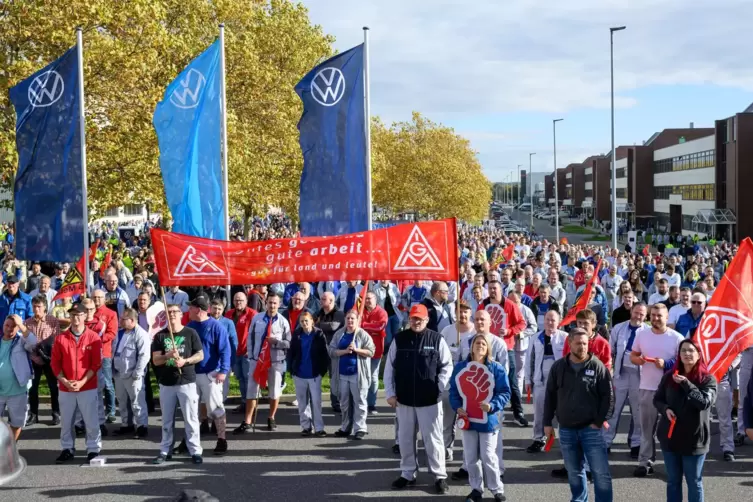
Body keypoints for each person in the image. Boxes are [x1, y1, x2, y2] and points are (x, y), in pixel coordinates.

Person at [384, 304, 453, 494]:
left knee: (433, 440)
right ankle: (407, 473)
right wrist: (389, 393)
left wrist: (438, 387)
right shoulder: (400, 339)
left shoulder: (437, 339)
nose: (416, 322)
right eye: (413, 318)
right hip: (404, 399)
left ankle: (439, 476)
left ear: (426, 319)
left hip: (429, 399)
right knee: (405, 439)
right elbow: (389, 368)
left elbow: (447, 366)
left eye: (419, 318)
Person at [543, 328, 614, 502]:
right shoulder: (558, 367)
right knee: (574, 473)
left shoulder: (597, 366)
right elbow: (550, 396)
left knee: (601, 473)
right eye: (578, 343)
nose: (582, 347)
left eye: (585, 343)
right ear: (569, 343)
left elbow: (609, 397)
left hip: (591, 429)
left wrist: (599, 421)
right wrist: (547, 423)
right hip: (567, 430)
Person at [449, 333, 511, 502]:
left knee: (489, 456)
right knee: (470, 457)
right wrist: (458, 407)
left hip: (489, 420)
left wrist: (492, 405)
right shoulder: (461, 367)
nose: (480, 346)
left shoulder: (496, 368)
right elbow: (453, 390)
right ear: (471, 346)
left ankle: (496, 489)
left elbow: (505, 392)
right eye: (477, 343)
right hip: (468, 418)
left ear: (488, 347)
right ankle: (476, 489)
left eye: (483, 344)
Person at [653, 339, 717, 502]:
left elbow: (704, 402)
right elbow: (657, 399)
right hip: (670, 438)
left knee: (694, 482)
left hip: (694, 440)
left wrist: (687, 384)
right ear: (678, 355)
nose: (687, 354)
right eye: (683, 351)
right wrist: (665, 409)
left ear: (699, 355)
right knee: (673, 481)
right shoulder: (669, 376)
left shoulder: (708, 379)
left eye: (691, 350)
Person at [629, 303, 684, 477]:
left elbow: (685, 363)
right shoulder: (642, 334)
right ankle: (645, 462)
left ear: (667, 317)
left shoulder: (677, 338)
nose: (655, 318)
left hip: (672, 391)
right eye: (653, 315)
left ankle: (675, 463)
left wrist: (666, 364)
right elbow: (633, 355)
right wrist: (639, 361)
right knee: (647, 429)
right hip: (647, 388)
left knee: (673, 430)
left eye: (659, 316)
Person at [151, 304, 204, 465]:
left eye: (175, 312)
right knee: (167, 420)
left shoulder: (190, 333)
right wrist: (167, 356)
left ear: (181, 314)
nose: (172, 314)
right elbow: (155, 360)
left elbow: (200, 354)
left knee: (191, 418)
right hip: (167, 383)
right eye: (169, 312)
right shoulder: (160, 336)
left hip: (186, 381)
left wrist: (185, 361)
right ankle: (165, 450)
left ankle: (195, 450)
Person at [51, 302, 103, 464]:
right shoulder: (60, 338)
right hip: (66, 388)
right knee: (66, 421)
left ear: (84, 316)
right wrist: (65, 381)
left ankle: (93, 449)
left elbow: (96, 364)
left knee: (91, 420)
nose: (75, 317)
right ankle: (67, 448)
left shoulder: (93, 337)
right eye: (72, 314)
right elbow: (55, 364)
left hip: (87, 386)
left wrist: (81, 382)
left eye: (78, 314)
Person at [234, 291, 291, 433]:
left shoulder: (283, 322)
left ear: (278, 305)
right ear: (266, 303)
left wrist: (276, 342)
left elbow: (289, 343)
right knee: (252, 390)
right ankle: (247, 420)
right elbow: (250, 338)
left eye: (275, 303)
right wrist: (252, 357)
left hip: (275, 361)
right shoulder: (257, 319)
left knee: (274, 391)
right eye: (270, 302)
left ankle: (271, 418)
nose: (272, 305)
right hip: (257, 361)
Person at [186, 296, 231, 456]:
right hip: (192, 374)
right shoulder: (190, 326)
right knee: (191, 409)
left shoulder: (216, 327)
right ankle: (190, 441)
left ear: (198, 310)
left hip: (211, 373)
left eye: (190, 308)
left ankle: (221, 439)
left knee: (216, 408)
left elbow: (225, 350)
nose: (188, 310)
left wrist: (223, 371)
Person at [479, 280, 527, 427]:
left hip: (507, 347)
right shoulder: (484, 305)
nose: (493, 291)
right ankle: (483, 410)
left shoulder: (509, 305)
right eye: (491, 288)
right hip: (486, 346)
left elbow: (522, 323)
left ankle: (518, 412)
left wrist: (509, 331)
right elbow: (477, 319)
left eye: (495, 288)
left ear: (501, 290)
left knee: (511, 380)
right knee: (484, 379)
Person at [605, 302, 648, 457]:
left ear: (645, 315)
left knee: (637, 412)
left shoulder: (648, 331)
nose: (638, 316)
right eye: (636, 312)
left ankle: (636, 444)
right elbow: (611, 351)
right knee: (614, 409)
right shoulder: (619, 328)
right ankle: (606, 441)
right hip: (621, 373)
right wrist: (610, 371)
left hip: (639, 375)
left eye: (642, 314)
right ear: (631, 311)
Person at [524, 309, 567, 453]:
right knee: (539, 412)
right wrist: (527, 380)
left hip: (560, 382)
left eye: (553, 320)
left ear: (559, 322)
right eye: (547, 319)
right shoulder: (536, 338)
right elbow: (529, 359)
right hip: (540, 381)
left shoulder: (565, 337)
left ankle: (564, 441)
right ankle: (538, 439)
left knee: (562, 412)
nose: (550, 322)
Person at [328, 309, 375, 439]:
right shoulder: (339, 334)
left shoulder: (362, 335)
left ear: (357, 320)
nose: (350, 321)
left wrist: (356, 350)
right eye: (348, 318)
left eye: (352, 319)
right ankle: (345, 427)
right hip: (342, 374)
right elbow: (331, 351)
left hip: (357, 375)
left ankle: (360, 428)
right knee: (344, 403)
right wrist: (344, 351)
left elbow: (371, 351)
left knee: (359, 401)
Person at [287, 311, 329, 436]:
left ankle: (319, 428)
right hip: (299, 374)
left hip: (314, 374)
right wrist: (292, 370)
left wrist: (322, 371)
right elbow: (291, 353)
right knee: (302, 402)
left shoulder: (319, 334)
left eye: (306, 320)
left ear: (312, 321)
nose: (304, 323)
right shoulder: (297, 334)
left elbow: (324, 354)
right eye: (302, 321)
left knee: (316, 402)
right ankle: (306, 426)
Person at [112, 308, 150, 438]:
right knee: (122, 401)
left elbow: (144, 356)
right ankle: (126, 424)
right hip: (119, 373)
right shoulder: (120, 333)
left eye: (124, 319)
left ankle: (141, 426)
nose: (121, 321)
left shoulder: (141, 334)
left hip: (133, 374)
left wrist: (137, 373)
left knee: (137, 402)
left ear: (132, 320)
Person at [24, 295, 61, 426]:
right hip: (34, 359)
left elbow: (57, 340)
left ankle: (56, 413)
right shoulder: (27, 322)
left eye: (39, 306)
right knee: (33, 388)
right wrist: (34, 352)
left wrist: (49, 355)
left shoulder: (53, 321)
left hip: (50, 359)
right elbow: (25, 341)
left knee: (53, 387)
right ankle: (33, 415)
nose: (36, 309)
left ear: (45, 307)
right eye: (34, 306)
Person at [0, 315, 37, 441]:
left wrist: (21, 325)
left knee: (16, 424)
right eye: (7, 325)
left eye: (13, 326)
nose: (9, 329)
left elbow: (34, 343)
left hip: (18, 390)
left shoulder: (21, 341)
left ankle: (10, 450)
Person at [225, 292, 257, 413]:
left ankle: (250, 404)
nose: (238, 302)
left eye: (241, 300)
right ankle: (244, 402)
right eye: (236, 300)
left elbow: (257, 333)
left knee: (248, 379)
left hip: (247, 352)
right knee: (240, 378)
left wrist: (252, 349)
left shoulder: (253, 314)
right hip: (233, 352)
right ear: (233, 302)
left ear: (246, 301)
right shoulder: (228, 314)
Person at [315, 291, 345, 412]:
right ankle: (315, 401)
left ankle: (336, 403)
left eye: (323, 299)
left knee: (334, 378)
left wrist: (316, 325)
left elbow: (333, 326)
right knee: (317, 377)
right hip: (321, 350)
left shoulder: (339, 313)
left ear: (331, 301)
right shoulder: (319, 312)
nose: (321, 301)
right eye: (321, 299)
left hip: (334, 351)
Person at [360, 292, 387, 415]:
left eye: (369, 299)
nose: (367, 301)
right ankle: (361, 402)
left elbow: (380, 327)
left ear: (375, 299)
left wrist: (364, 325)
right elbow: (356, 325)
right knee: (362, 377)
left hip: (376, 351)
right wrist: (369, 327)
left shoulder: (382, 312)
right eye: (365, 299)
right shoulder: (360, 311)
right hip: (361, 349)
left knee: (373, 378)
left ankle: (371, 404)